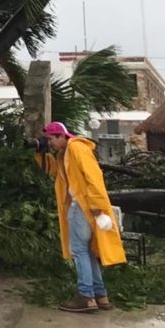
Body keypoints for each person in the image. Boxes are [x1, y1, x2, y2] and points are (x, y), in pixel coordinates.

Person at [36, 121, 126, 313]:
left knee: (79, 251)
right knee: (88, 252)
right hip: (85, 207)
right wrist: (39, 152)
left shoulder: (77, 148)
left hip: (83, 207)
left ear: (61, 136)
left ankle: (86, 296)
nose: (50, 143)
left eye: (51, 139)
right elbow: (53, 172)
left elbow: (93, 178)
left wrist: (96, 208)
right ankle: (100, 296)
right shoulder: (66, 153)